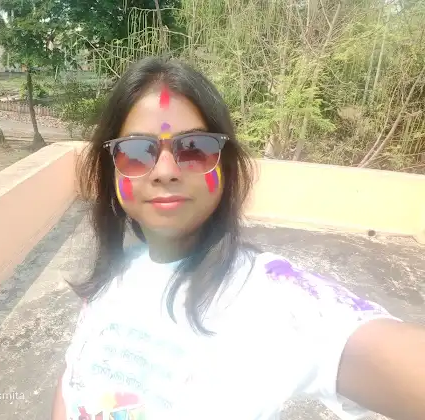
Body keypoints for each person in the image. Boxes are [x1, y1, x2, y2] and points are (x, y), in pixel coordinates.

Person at [52, 57, 425, 420]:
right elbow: (72, 385)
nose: (165, 171)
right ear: (110, 171)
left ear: (227, 167)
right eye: (136, 151)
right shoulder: (111, 279)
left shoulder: (273, 299)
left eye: (194, 148)